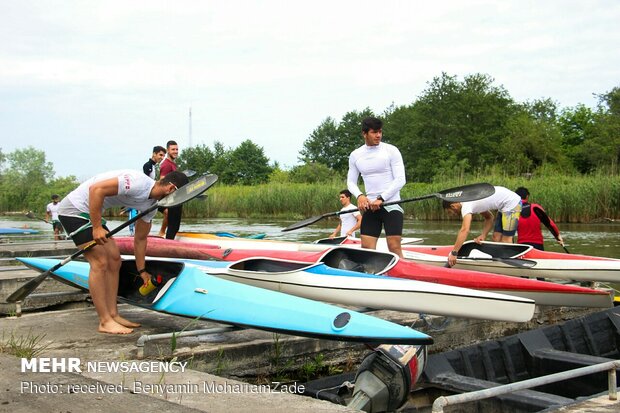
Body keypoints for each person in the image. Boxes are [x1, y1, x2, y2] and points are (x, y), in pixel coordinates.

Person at [57, 169, 189, 334]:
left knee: (114, 259)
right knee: (100, 262)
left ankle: (113, 314)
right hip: (74, 210)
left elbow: (140, 239)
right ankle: (104, 321)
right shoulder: (137, 183)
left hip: (90, 213)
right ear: (171, 189)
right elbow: (96, 190)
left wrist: (142, 271)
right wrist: (97, 227)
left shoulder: (151, 207)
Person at [347, 117, 406, 257]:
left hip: (391, 205)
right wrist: (360, 196)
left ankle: (404, 275)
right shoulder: (356, 155)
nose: (378, 135)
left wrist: (382, 198)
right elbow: (350, 182)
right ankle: (370, 274)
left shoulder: (391, 150)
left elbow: (400, 179)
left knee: (394, 246)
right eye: (374, 132)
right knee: (366, 248)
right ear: (364, 133)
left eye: (380, 132)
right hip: (370, 208)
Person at [443, 186, 522, 267]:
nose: (452, 215)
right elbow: (489, 217)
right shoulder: (472, 202)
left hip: (512, 203)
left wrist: (454, 253)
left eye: (450, 212)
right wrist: (483, 235)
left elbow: (464, 230)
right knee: (496, 237)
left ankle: (507, 265)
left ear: (453, 206)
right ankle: (499, 260)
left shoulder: (466, 205)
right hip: (503, 206)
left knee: (506, 240)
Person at [158, 140, 182, 239]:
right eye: (173, 149)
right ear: (168, 150)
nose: (175, 151)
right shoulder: (166, 164)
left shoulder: (173, 164)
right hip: (166, 198)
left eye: (177, 149)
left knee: (175, 222)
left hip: (174, 198)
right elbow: (162, 181)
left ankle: (168, 235)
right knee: (170, 217)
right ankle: (163, 234)